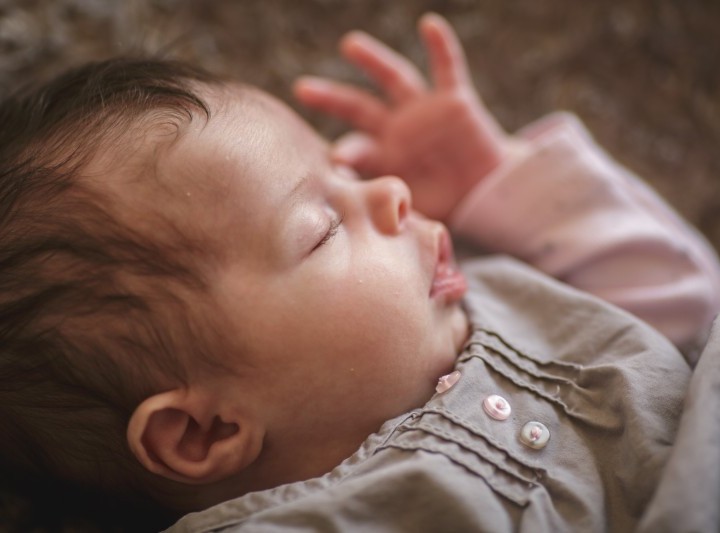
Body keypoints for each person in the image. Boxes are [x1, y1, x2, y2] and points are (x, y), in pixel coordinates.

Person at [0, 12, 717, 533]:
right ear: (204, 432)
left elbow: (691, 308)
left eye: (345, 168)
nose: (392, 190)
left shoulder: (505, 283)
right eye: (323, 229)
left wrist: (495, 183)